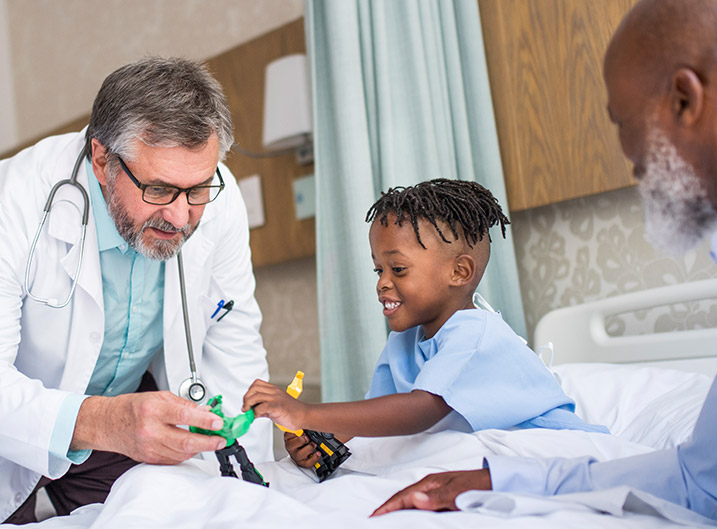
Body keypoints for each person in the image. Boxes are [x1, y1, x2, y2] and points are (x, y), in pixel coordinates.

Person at [372, 0, 717, 529]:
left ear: (685, 100)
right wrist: (496, 481)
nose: (629, 159)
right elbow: (709, 487)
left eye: (623, 120)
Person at [0, 57, 272, 529]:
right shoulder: (11, 196)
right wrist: (107, 421)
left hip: (120, 415)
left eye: (196, 190)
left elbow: (233, 349)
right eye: (159, 188)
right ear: (103, 160)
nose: (181, 216)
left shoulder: (219, 198)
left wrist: (249, 481)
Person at [244, 179, 603, 468]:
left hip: (550, 448)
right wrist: (320, 440)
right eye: (378, 269)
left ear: (459, 271)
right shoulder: (402, 343)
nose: (382, 282)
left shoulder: (475, 333)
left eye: (398, 269)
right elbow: (378, 417)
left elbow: (420, 411)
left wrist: (306, 410)